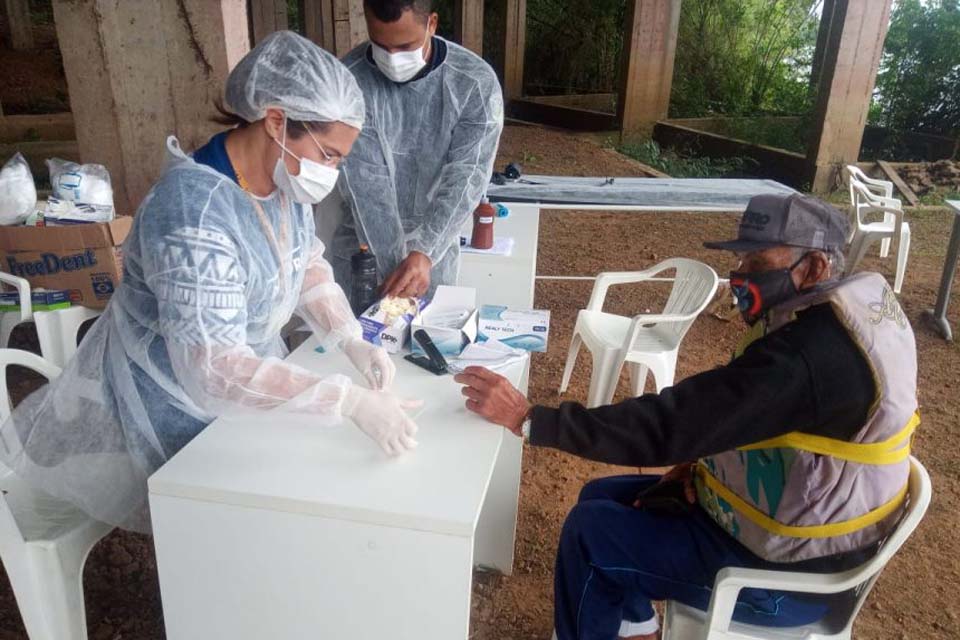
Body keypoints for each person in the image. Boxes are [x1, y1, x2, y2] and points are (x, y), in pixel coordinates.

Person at [0, 32, 421, 535]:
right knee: (222, 534)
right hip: (178, 404)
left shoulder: (280, 184)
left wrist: (352, 339)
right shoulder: (193, 214)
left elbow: (303, 262)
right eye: (328, 154)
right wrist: (348, 401)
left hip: (244, 388)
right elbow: (214, 370)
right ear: (276, 121)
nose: (329, 171)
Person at [455, 193, 918, 640]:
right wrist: (704, 467)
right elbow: (754, 418)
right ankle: (636, 629)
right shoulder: (842, 315)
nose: (740, 276)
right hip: (797, 528)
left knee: (590, 535)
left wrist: (529, 418)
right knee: (599, 496)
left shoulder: (809, 358)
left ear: (814, 267)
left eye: (757, 263)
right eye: (740, 260)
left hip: (792, 580)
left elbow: (672, 423)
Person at [331, 0, 504, 300]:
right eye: (380, 45)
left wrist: (426, 251)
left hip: (434, 248)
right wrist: (392, 272)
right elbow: (366, 186)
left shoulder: (473, 83)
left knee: (426, 328)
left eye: (405, 46)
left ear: (431, 24)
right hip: (362, 249)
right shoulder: (350, 81)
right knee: (354, 327)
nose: (392, 58)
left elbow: (468, 174)